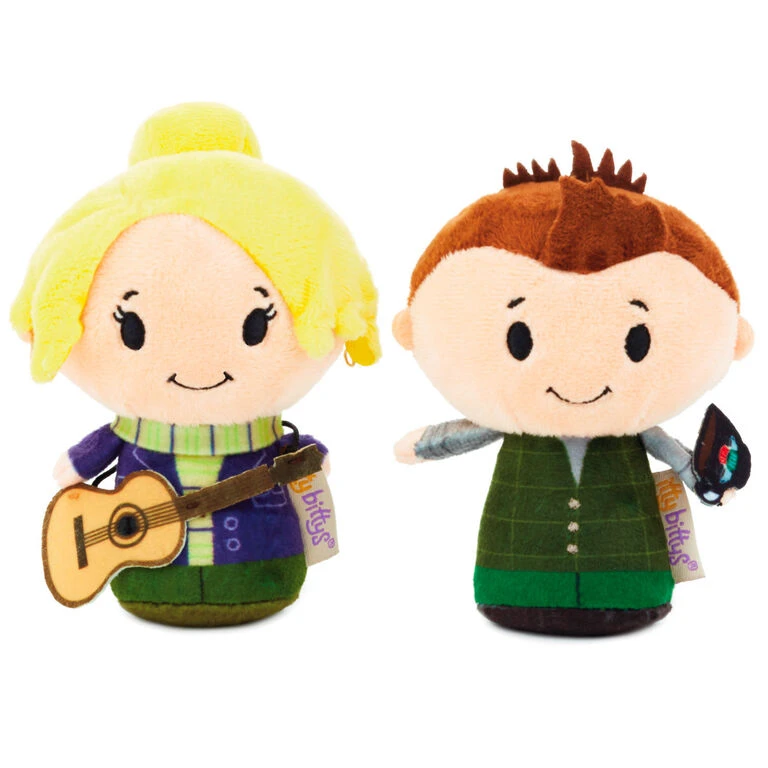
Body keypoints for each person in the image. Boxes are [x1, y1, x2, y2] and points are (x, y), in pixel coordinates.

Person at [12, 103, 380, 627]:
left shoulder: (269, 445)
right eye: (132, 329)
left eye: (256, 326)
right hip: (145, 569)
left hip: (264, 566)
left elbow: (306, 465)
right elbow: (79, 467)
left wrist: (308, 461)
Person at [393, 143, 752, 635]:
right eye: (520, 340)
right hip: (514, 573)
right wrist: (424, 444)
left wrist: (706, 479)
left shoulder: (628, 428)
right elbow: (465, 434)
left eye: (637, 340)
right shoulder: (532, 422)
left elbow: (679, 458)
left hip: (628, 571)